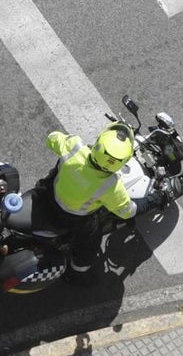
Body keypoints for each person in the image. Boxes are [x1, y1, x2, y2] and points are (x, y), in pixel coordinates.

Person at [45, 122, 170, 284]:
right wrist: (155, 199)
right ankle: (77, 275)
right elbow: (128, 211)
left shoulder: (74, 147)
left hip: (48, 193)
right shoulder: (110, 186)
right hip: (72, 217)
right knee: (89, 246)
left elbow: (52, 138)